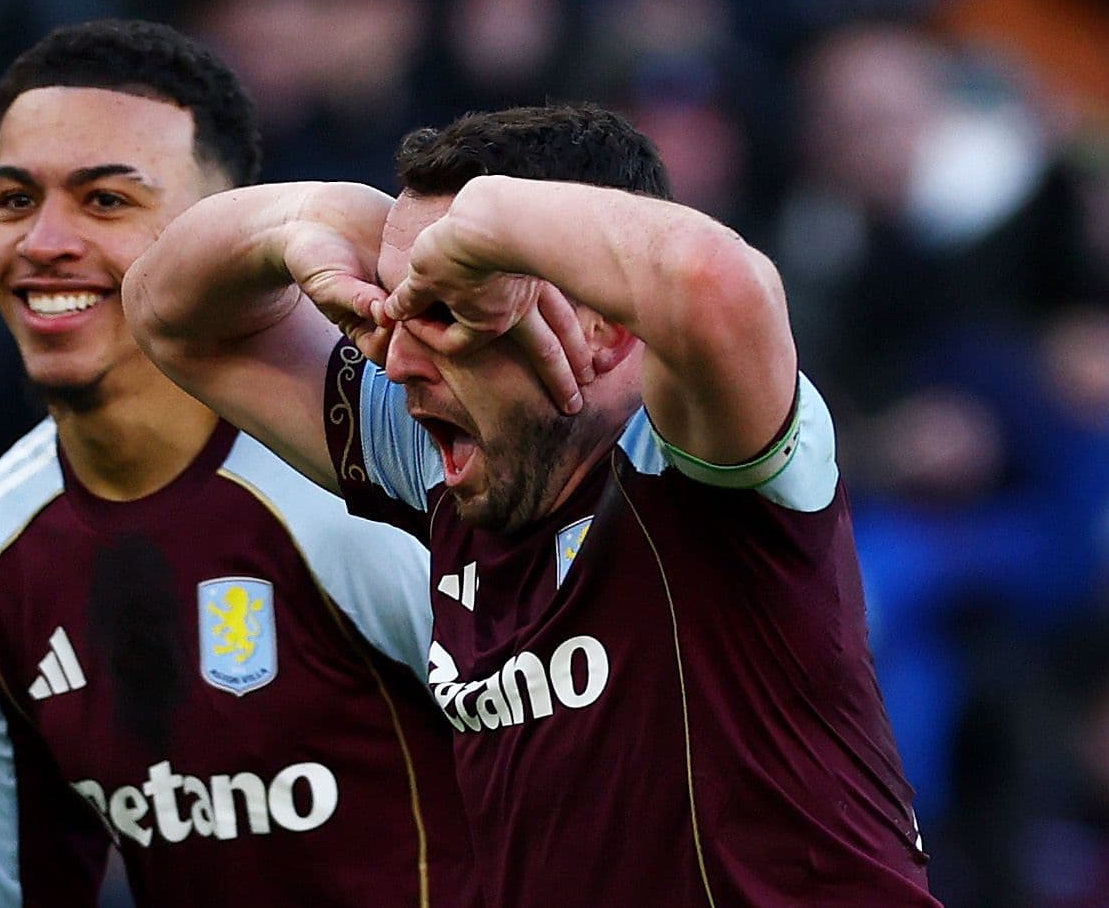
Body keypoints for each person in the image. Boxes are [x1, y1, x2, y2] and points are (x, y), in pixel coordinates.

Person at [126, 102, 942, 905]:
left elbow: (716, 280)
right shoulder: (445, 465)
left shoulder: (696, 457)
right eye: (387, 305)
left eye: (446, 310)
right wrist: (304, 218)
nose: (398, 359)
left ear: (604, 331)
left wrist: (493, 220)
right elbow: (169, 313)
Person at [0, 19, 481, 908]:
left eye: (106, 201)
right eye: (15, 199)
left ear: (216, 234)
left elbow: (588, 809)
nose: (43, 241)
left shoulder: (375, 484)